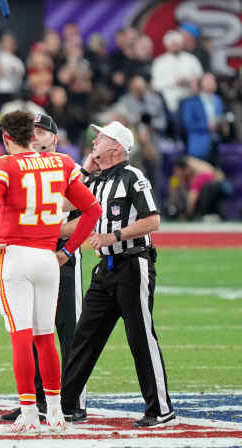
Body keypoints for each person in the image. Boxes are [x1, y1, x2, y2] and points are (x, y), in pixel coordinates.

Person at [0, 111, 101, 433]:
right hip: (48, 258)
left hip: (15, 256)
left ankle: (29, 415)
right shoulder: (61, 163)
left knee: (21, 337)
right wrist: (67, 252)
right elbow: (93, 210)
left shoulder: (2, 165)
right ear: (33, 135)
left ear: (6, 138)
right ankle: (56, 413)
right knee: (46, 338)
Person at [61, 121, 176, 427]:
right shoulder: (95, 181)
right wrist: (84, 171)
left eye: (100, 139)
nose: (94, 142)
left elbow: (153, 220)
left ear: (116, 147)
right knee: (84, 337)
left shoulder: (132, 176)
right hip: (105, 269)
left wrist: (115, 235)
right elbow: (66, 209)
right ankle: (67, 405)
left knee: (140, 336)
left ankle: (160, 408)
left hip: (132, 263)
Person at [0, 114, 90, 424]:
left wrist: (59, 239)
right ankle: (36, 400)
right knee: (36, 331)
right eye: (33, 131)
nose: (37, 136)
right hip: (38, 253)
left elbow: (86, 214)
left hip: (58, 255)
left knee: (67, 329)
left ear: (55, 138)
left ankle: (73, 400)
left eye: (43, 132)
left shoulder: (64, 165)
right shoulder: (29, 165)